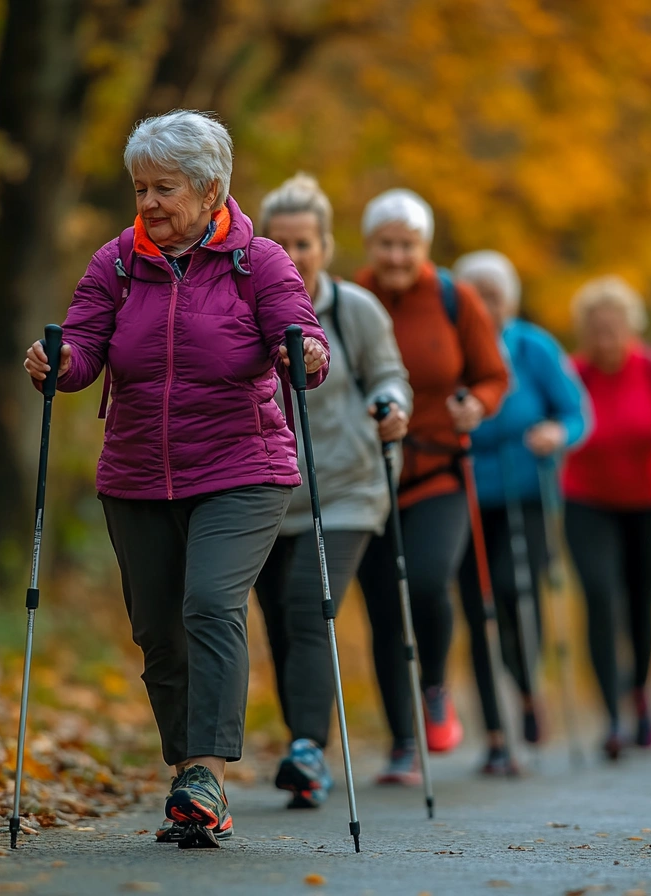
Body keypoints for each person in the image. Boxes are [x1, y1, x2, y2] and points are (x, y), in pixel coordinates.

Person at [23, 111, 329, 847]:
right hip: (136, 473)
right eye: (140, 189)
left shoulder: (260, 262)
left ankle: (205, 773)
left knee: (209, 604)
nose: (150, 204)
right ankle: (188, 774)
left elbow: (301, 329)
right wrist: (58, 365)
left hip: (242, 470)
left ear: (210, 187)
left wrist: (305, 356)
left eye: (165, 188)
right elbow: (87, 345)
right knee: (159, 633)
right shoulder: (116, 262)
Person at [251, 173, 412, 808]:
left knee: (307, 603)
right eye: (279, 241)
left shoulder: (354, 310)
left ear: (327, 245)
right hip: (262, 489)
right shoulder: (242, 305)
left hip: (346, 488)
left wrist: (390, 406)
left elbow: (388, 375)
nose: (292, 255)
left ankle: (309, 750)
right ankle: (304, 746)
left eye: (305, 242)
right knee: (281, 627)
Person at [354, 189, 509, 784]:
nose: (397, 256)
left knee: (426, 579)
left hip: (440, 468)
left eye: (408, 245)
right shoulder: (350, 298)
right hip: (369, 476)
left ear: (424, 247)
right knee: (382, 610)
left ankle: (436, 684)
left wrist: (478, 404)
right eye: (386, 244)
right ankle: (400, 744)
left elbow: (493, 374)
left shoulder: (453, 297)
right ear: (370, 246)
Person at [453, 250, 590, 775]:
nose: (485, 304)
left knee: (517, 594)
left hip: (525, 493)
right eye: (475, 293)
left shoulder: (533, 347)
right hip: (461, 496)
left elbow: (575, 412)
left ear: (509, 299)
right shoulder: (452, 347)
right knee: (477, 611)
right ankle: (493, 735)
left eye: (494, 293)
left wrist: (557, 434)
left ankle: (530, 689)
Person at [560, 275, 651, 760]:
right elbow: (557, 413)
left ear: (630, 328)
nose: (605, 337)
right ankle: (611, 715)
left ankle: (640, 693)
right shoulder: (575, 371)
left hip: (649, 499)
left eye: (614, 327)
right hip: (586, 500)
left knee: (642, 602)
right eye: (596, 328)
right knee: (599, 597)